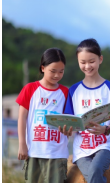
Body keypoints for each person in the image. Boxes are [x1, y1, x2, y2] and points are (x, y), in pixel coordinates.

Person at [60, 38, 110, 183]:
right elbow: (71, 123)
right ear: (77, 62)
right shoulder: (74, 90)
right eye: (82, 62)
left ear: (100, 59)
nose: (87, 66)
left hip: (105, 145)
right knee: (92, 176)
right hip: (82, 149)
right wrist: (67, 129)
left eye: (91, 61)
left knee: (95, 171)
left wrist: (104, 129)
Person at [16, 48, 69, 183]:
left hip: (57, 154)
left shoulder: (65, 92)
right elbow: (22, 117)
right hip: (34, 151)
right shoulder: (30, 89)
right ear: (43, 68)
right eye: (53, 71)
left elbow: (69, 120)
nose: (57, 75)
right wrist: (22, 144)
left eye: (61, 71)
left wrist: (69, 129)